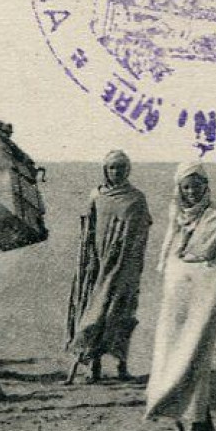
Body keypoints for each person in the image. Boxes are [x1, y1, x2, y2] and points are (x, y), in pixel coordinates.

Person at [144, 162, 216, 431]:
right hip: (177, 305)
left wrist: (183, 258)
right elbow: (173, 259)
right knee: (175, 354)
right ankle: (201, 422)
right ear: (179, 189)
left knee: (196, 355)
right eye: (186, 186)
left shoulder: (214, 218)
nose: (192, 192)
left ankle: (197, 426)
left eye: (197, 185)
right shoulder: (178, 218)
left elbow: (200, 255)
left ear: (206, 187)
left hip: (202, 302)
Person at [66, 149, 152, 383]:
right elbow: (88, 229)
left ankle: (121, 365)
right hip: (97, 265)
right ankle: (92, 365)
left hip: (124, 266)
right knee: (94, 312)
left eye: (121, 167)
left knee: (121, 313)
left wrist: (130, 261)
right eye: (112, 167)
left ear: (128, 169)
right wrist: (89, 260)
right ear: (105, 170)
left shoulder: (136, 198)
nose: (117, 172)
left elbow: (142, 231)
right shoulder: (96, 195)